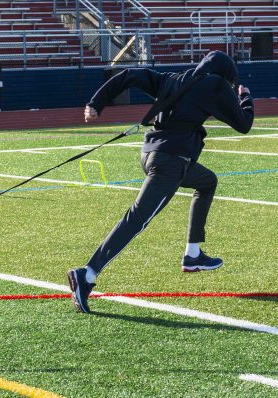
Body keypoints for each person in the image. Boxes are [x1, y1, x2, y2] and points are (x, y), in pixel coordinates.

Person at [68, 51, 254, 313]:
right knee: (137, 218)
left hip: (152, 155)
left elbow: (129, 75)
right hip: (171, 162)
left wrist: (97, 102)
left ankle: (193, 254)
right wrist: (244, 97)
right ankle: (87, 273)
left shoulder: (174, 79)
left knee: (207, 182)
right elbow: (244, 124)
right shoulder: (216, 85)